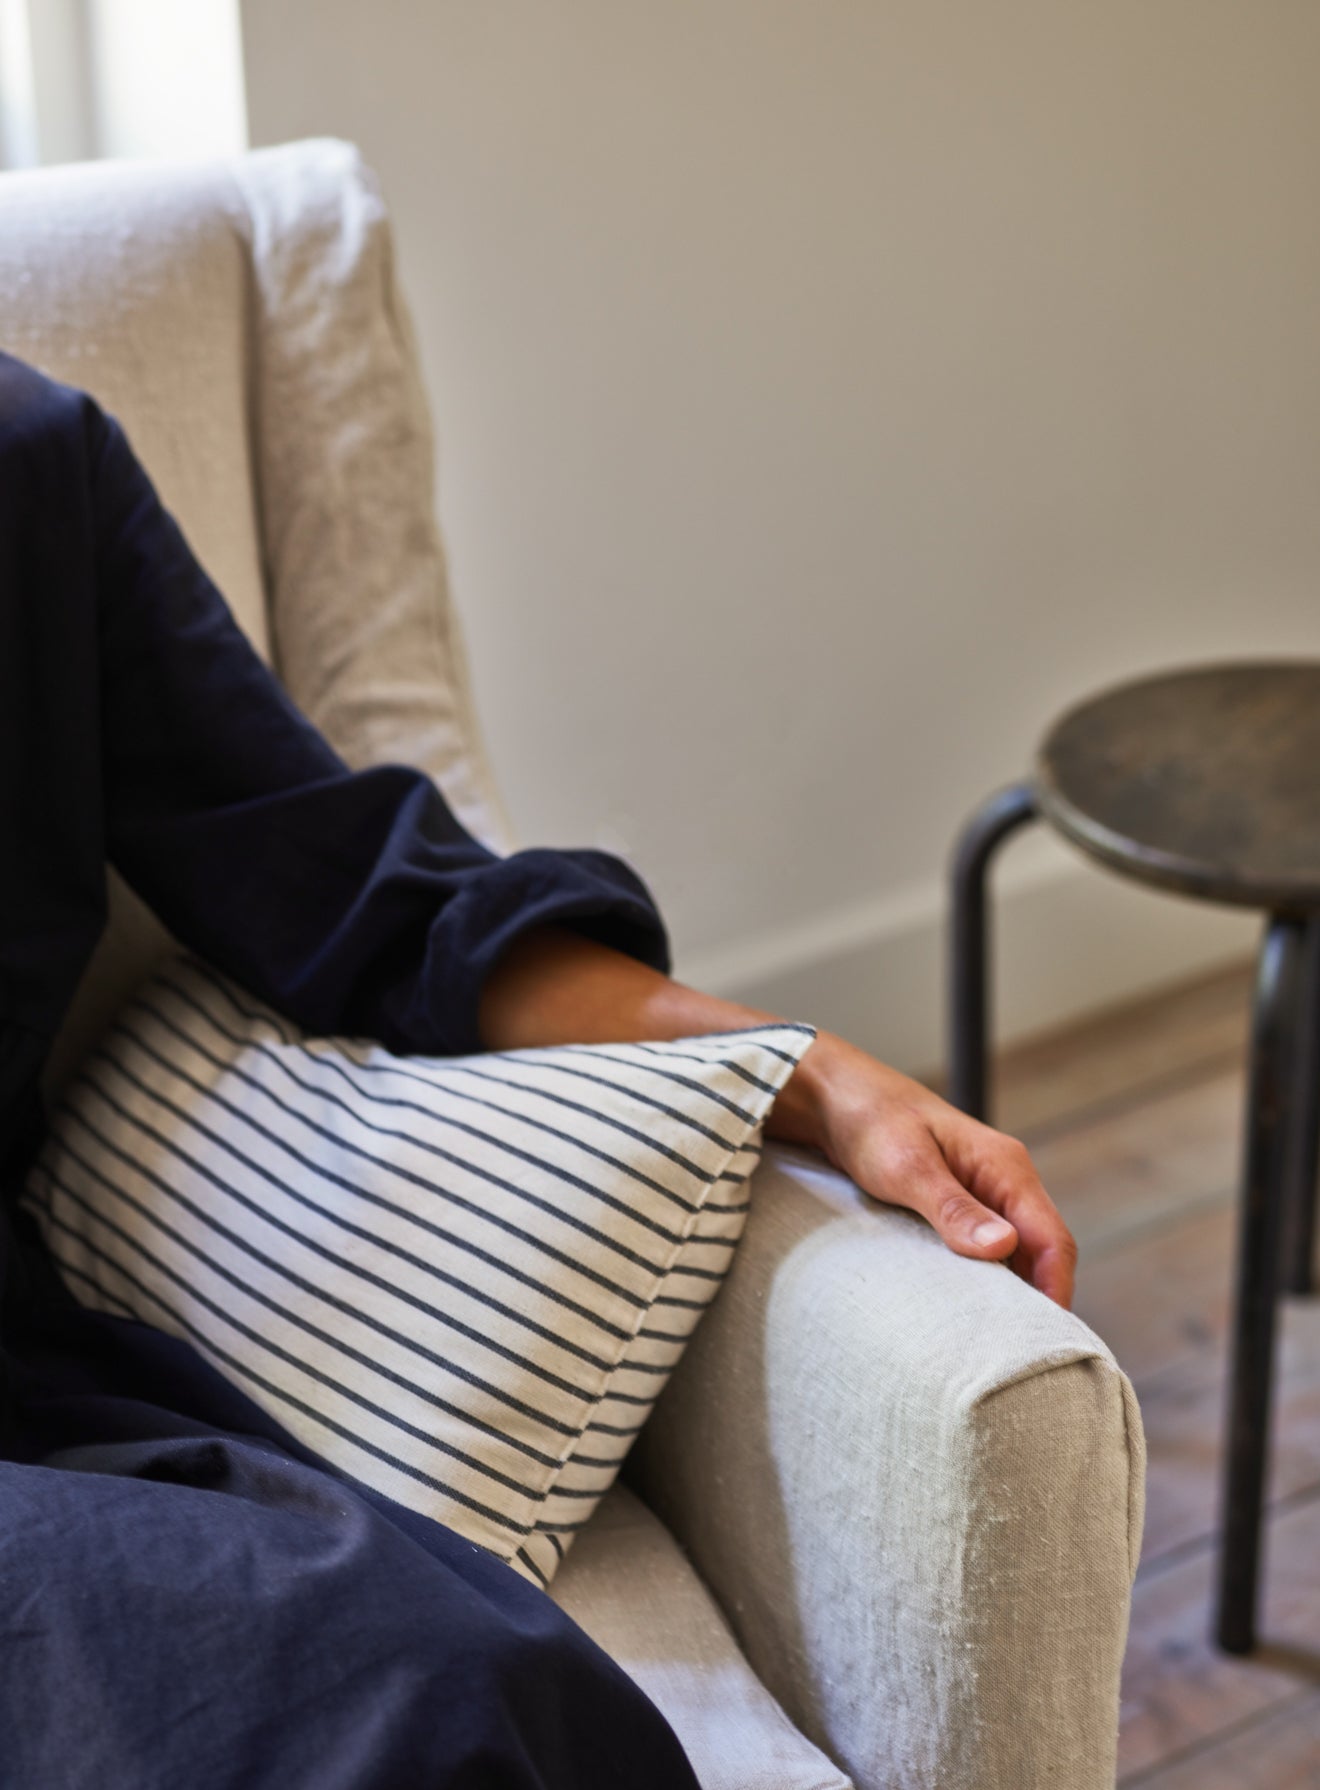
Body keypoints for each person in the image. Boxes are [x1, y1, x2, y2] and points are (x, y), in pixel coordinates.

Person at [0, 348, 1075, 1787]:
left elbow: (363, 889)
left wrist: (810, 1074)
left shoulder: (31, 466)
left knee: (458, 1691)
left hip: (28, 1411)